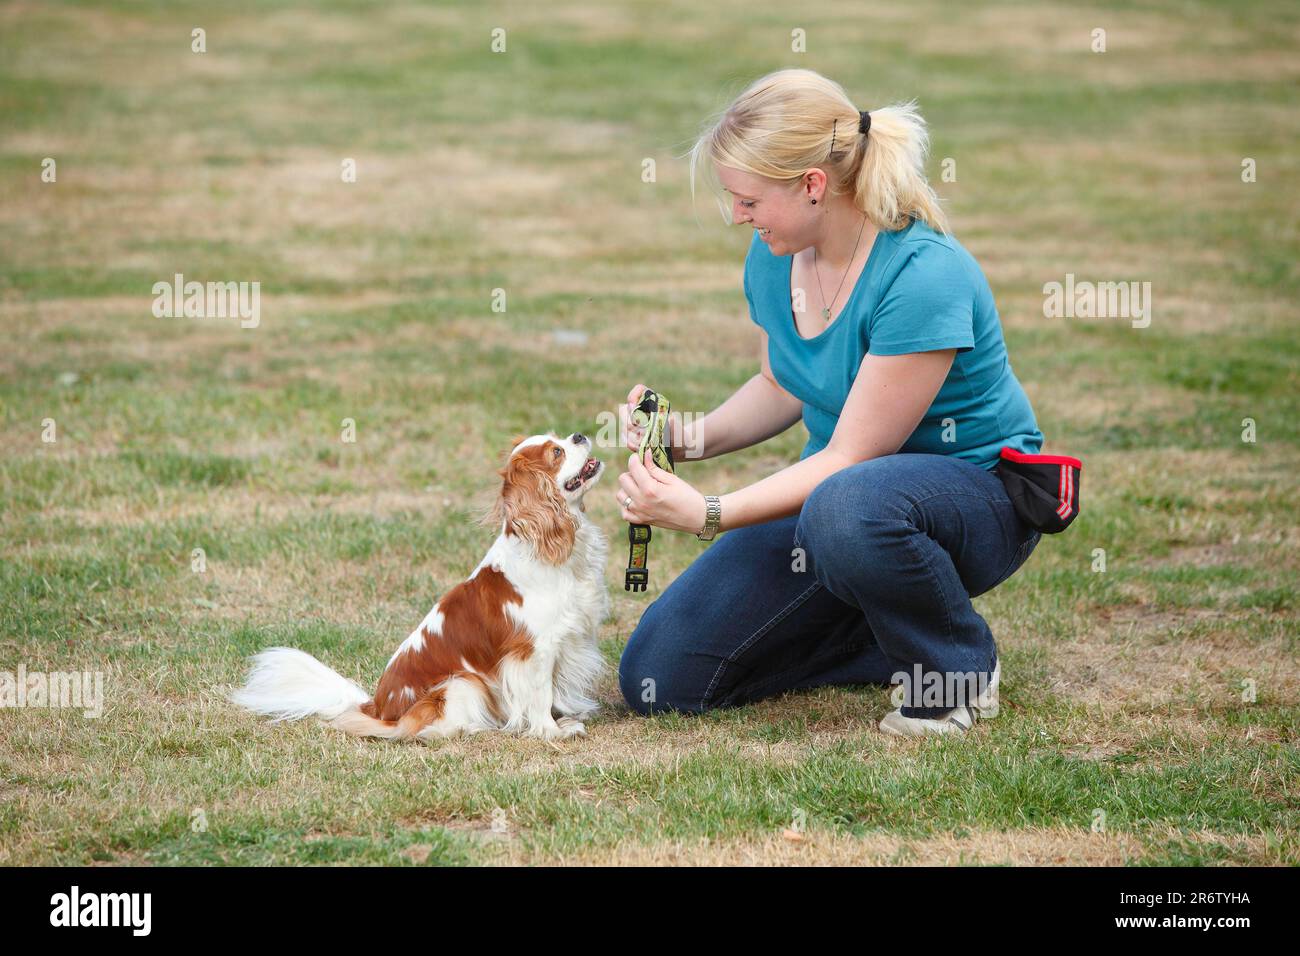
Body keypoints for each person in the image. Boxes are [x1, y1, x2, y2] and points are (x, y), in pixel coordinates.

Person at [612, 68, 1044, 736]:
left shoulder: (924, 274)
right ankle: (885, 633)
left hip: (973, 499)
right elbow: (781, 384)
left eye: (748, 198)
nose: (737, 215)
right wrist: (676, 437)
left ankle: (954, 673)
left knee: (849, 507)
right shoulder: (775, 253)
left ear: (813, 185)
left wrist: (708, 512)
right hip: (841, 507)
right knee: (662, 679)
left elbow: (850, 456)